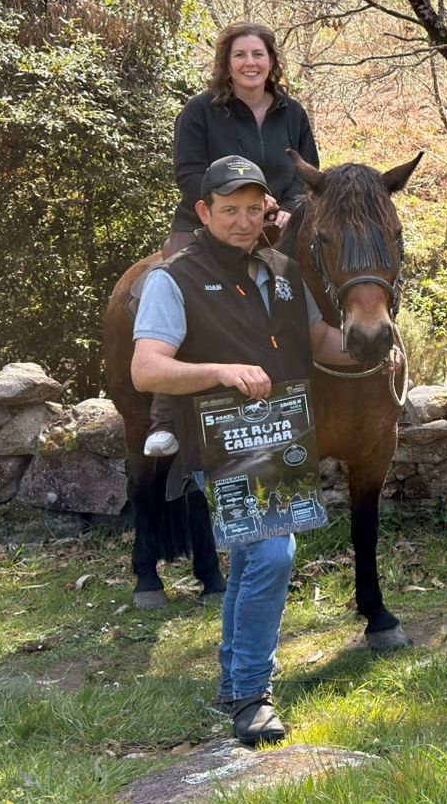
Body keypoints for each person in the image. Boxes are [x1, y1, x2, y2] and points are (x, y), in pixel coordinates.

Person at [129, 156, 361, 746]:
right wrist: (221, 370)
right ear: (204, 212)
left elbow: (318, 342)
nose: (241, 220)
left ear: (267, 212)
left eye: (252, 209)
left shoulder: (285, 270)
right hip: (220, 446)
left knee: (256, 561)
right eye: (228, 209)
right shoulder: (171, 279)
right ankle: (253, 693)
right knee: (275, 556)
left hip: (280, 442)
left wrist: (369, 343)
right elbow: (146, 368)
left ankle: (236, 682)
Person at [146, 22, 320, 460]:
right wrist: (229, 207)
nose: (249, 63)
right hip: (206, 219)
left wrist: (286, 207)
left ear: (271, 62)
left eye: (258, 55)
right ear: (227, 63)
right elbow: (187, 174)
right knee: (171, 283)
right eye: (240, 55)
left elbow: (308, 175)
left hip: (279, 220)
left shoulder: (293, 113)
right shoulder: (200, 111)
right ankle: (164, 415)